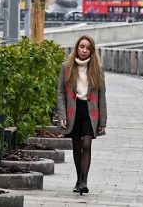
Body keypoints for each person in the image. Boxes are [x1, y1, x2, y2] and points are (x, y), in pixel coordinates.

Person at [57, 35, 107, 195]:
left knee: (86, 145)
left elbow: (101, 95)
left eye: (87, 48)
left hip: (90, 111)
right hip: (73, 111)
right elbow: (60, 93)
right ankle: (79, 180)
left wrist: (103, 120)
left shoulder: (97, 69)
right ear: (77, 48)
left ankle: (84, 181)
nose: (84, 50)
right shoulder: (66, 67)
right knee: (76, 146)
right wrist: (62, 115)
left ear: (92, 51)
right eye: (82, 47)